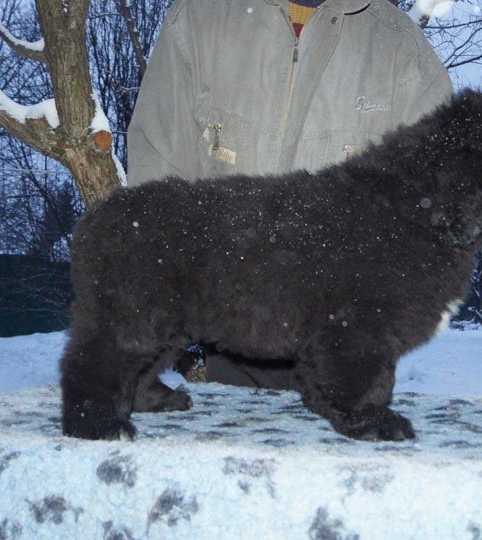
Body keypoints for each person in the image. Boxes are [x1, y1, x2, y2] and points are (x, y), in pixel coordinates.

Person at [126, 0, 453, 389]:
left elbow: (436, 218)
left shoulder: (403, 53)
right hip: (228, 339)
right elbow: (158, 176)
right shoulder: (200, 17)